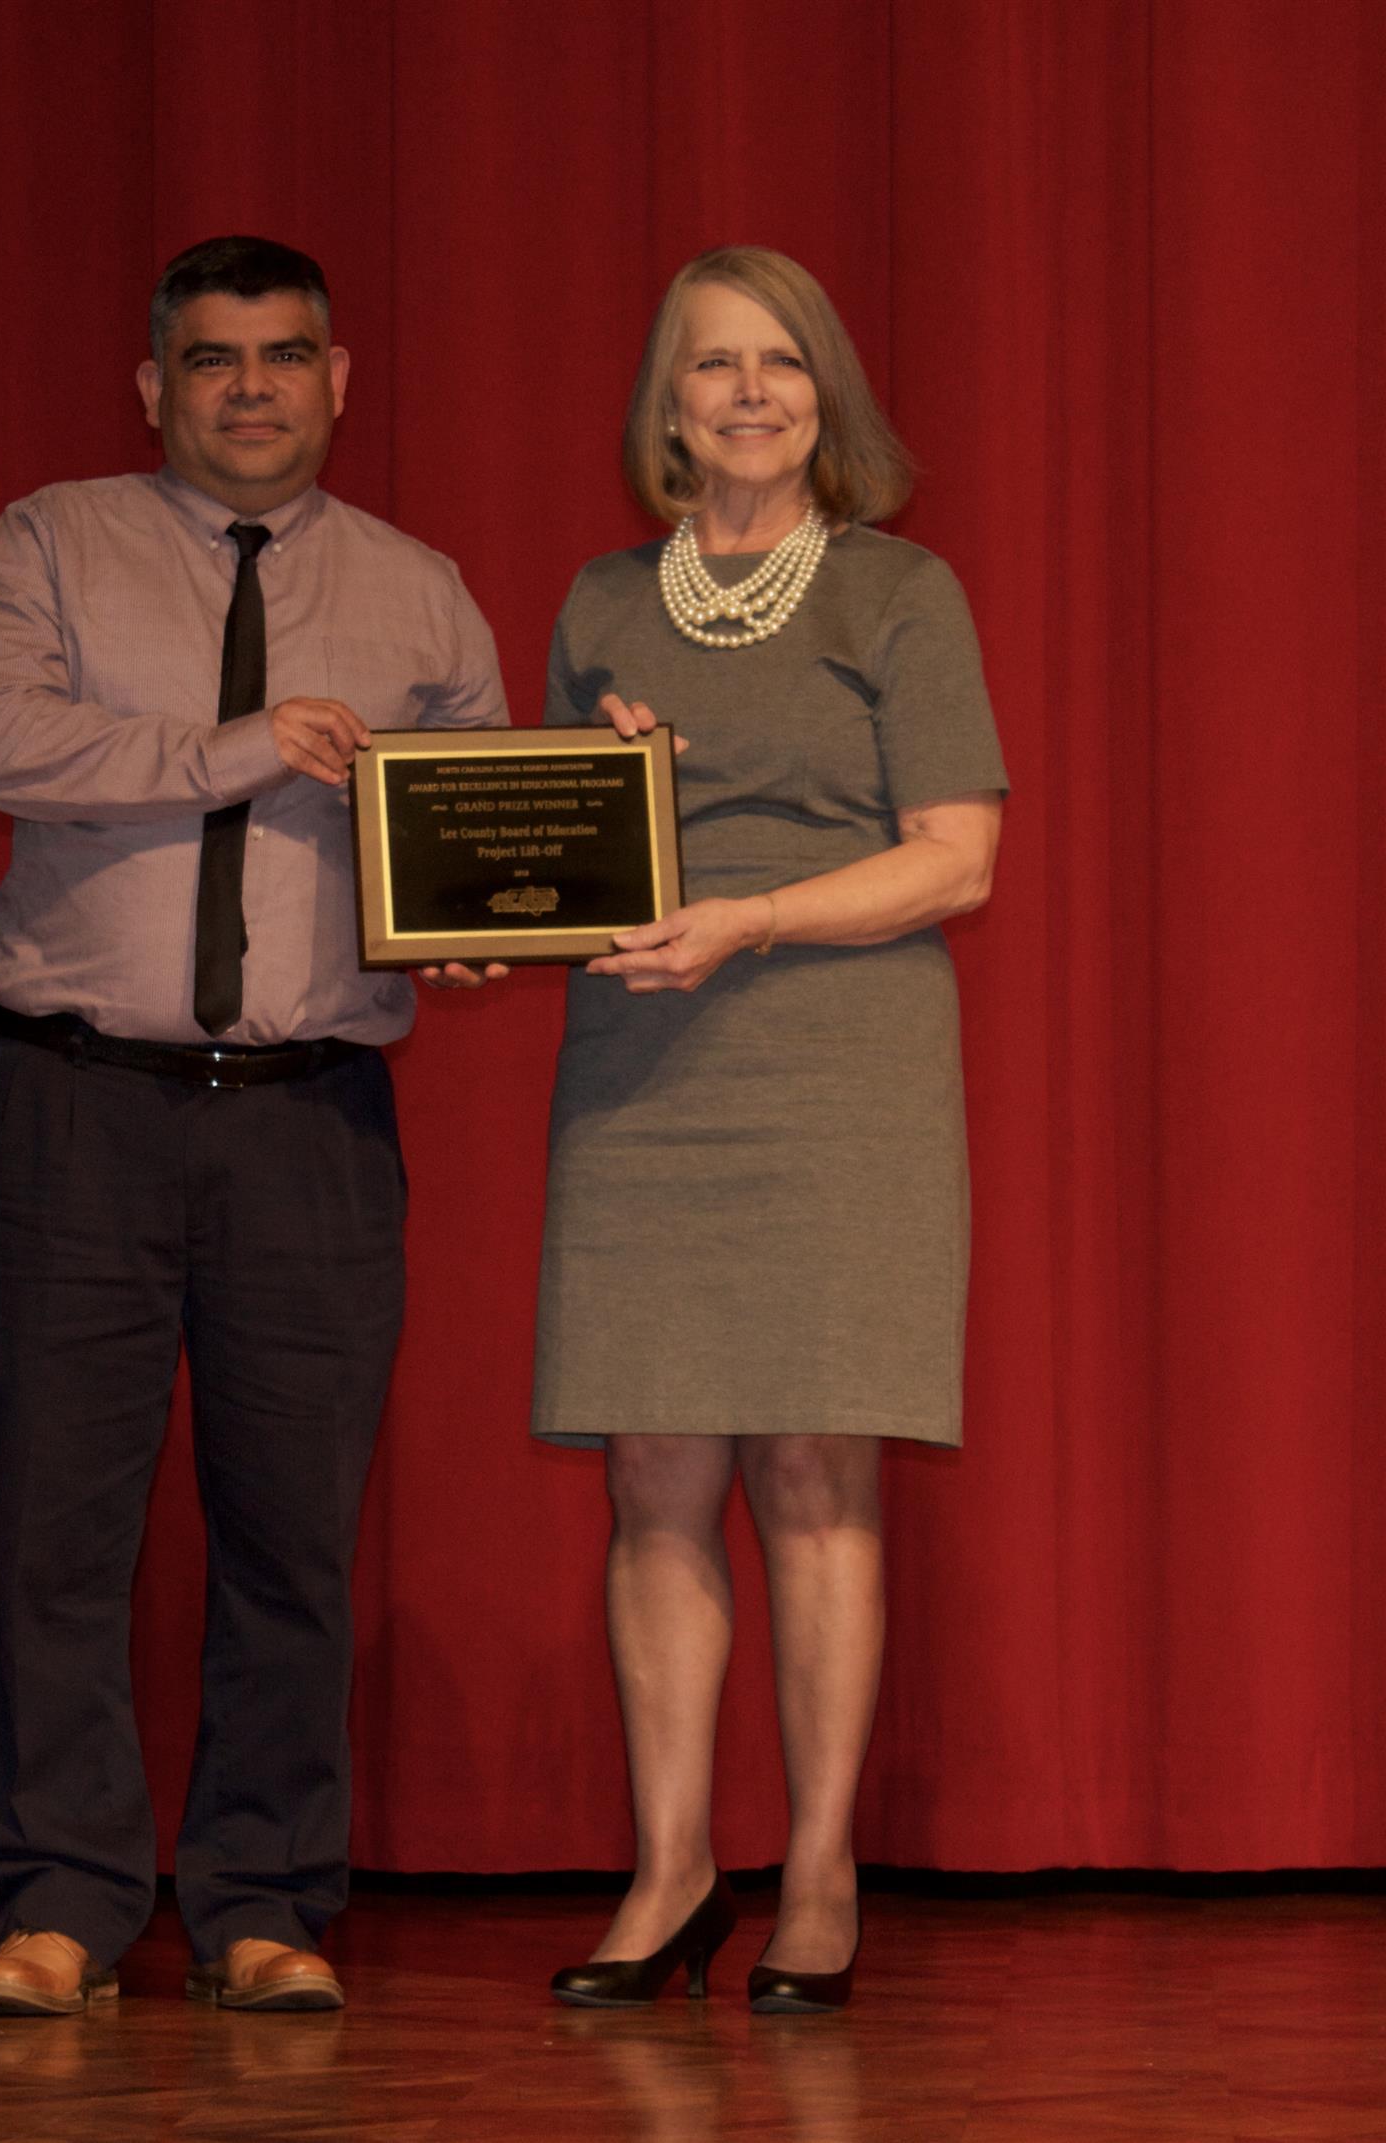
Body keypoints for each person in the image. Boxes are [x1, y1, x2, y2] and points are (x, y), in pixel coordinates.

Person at [0, 235, 506, 2018]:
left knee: (292, 1536)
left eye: (283, 356)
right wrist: (239, 745)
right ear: (154, 386)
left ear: (342, 380)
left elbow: (482, 822)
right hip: (76, 1105)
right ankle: (62, 1900)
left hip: (308, 1122)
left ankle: (263, 1901)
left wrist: (504, 912)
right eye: (211, 359)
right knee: (52, 1525)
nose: (249, 386)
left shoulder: (423, 595)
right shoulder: (47, 542)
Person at [535, 246, 1007, 2014]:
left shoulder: (902, 592)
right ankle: (670, 1871)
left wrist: (748, 914)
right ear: (667, 405)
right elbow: (561, 847)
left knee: (815, 1476)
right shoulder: (598, 603)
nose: (749, 392)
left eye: (782, 364)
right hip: (640, 1069)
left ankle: (817, 1873)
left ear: (829, 397)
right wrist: (588, 819)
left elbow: (959, 859)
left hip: (838, 1065)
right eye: (715, 365)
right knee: (651, 1475)